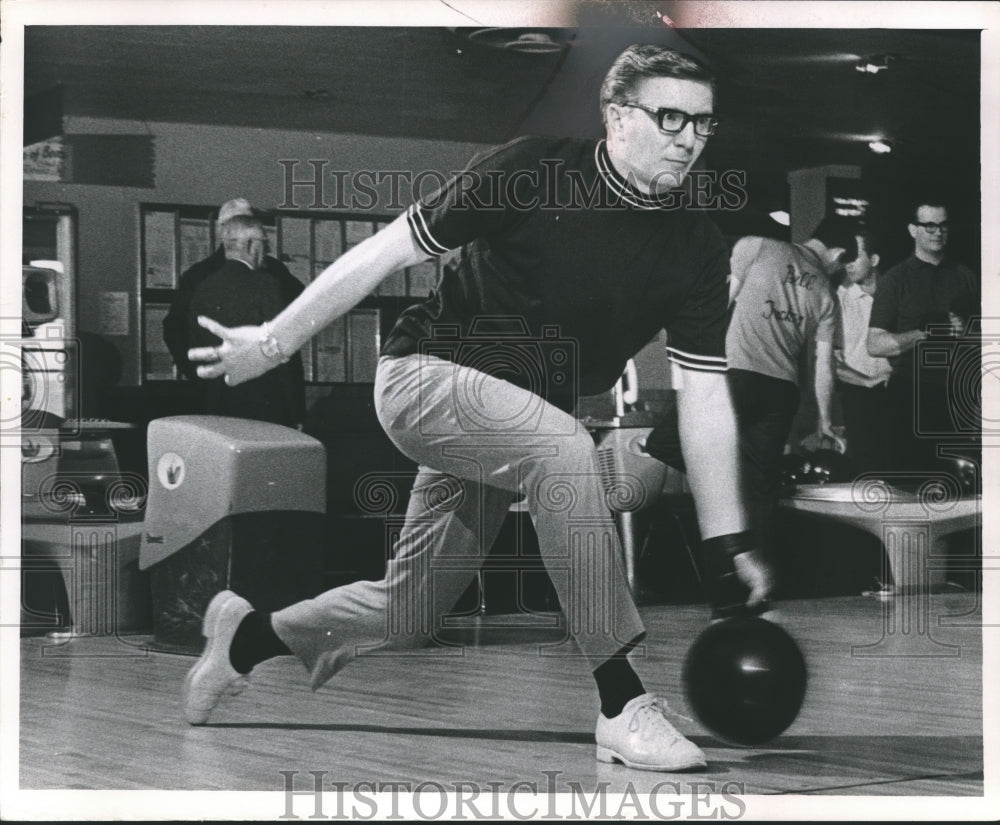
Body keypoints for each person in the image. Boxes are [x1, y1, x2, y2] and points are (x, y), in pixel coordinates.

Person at [183, 45, 771, 773]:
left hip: (513, 423)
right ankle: (622, 702)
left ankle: (241, 637)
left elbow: (706, 397)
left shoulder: (696, 248)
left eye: (703, 124)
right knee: (565, 450)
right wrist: (272, 342)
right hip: (425, 376)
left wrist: (724, 545)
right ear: (617, 118)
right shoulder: (532, 170)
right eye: (670, 116)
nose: (689, 138)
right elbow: (382, 254)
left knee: (407, 612)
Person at [724, 217, 855, 576]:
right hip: (782, 390)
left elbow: (719, 307)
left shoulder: (755, 245)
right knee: (761, 486)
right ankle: (759, 575)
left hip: (737, 375)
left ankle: (727, 562)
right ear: (838, 253)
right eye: (842, 265)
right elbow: (823, 367)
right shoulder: (826, 295)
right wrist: (825, 421)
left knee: (705, 460)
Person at [868, 199, 980, 475]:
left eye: (942, 225)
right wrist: (923, 334)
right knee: (910, 479)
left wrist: (964, 332)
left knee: (958, 485)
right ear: (912, 229)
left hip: (957, 393)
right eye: (929, 225)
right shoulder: (895, 279)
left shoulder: (965, 276)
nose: (937, 232)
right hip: (910, 392)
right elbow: (875, 343)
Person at [162, 198, 303, 383]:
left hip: (219, 383)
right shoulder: (274, 272)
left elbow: (174, 329)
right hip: (267, 383)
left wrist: (200, 377)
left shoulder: (197, 275)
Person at [187, 215, 306, 427]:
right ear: (251, 245)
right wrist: (296, 411)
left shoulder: (202, 288)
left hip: (218, 406)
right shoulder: (267, 285)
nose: (267, 250)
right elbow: (282, 350)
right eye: (265, 243)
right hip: (268, 409)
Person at [833, 228, 893, 474]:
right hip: (856, 399)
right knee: (863, 472)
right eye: (845, 257)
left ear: (874, 260)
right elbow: (829, 362)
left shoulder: (896, 296)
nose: (847, 264)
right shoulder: (838, 300)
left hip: (895, 397)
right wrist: (868, 382)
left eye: (855, 256)